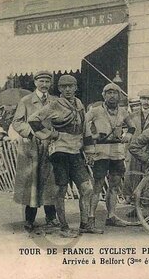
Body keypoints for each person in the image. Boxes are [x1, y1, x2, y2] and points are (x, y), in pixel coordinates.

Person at [28, 75, 102, 237]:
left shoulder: (79, 104)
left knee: (87, 188)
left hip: (76, 152)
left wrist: (89, 151)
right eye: (64, 87)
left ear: (76, 87)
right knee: (61, 190)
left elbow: (86, 130)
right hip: (59, 152)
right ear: (59, 89)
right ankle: (64, 228)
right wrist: (50, 134)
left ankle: (85, 224)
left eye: (71, 86)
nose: (68, 89)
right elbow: (33, 120)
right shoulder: (54, 104)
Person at [12, 70, 58, 233]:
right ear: (35, 83)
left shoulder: (55, 101)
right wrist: (32, 132)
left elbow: (59, 121)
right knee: (32, 182)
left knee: (50, 181)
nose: (44, 85)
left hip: (50, 146)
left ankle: (51, 217)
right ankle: (29, 219)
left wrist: (55, 133)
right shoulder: (26, 101)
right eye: (41, 81)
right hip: (32, 147)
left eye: (47, 82)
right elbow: (17, 122)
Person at [84, 83, 136, 228]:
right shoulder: (95, 111)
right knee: (97, 186)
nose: (112, 95)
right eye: (108, 92)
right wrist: (92, 136)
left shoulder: (124, 111)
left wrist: (129, 135)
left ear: (119, 96)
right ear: (103, 95)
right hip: (100, 152)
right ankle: (90, 218)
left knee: (114, 185)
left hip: (117, 152)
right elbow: (82, 123)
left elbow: (132, 126)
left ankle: (111, 216)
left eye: (115, 93)